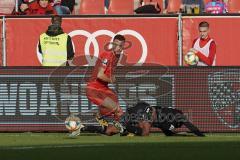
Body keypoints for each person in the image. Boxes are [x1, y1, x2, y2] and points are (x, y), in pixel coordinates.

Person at [121, 101, 205, 137]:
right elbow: (189, 124)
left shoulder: (165, 124)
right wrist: (199, 134)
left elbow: (169, 133)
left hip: (152, 114)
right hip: (151, 112)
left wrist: (186, 134)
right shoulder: (177, 115)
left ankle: (126, 128)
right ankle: (126, 128)